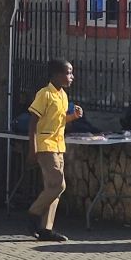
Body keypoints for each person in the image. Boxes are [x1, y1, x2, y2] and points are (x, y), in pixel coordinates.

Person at [27, 58, 81, 243]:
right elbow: (33, 122)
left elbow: (58, 121)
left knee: (53, 189)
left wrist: (72, 117)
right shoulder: (45, 94)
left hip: (59, 145)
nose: (71, 77)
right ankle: (33, 213)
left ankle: (45, 228)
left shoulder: (63, 95)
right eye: (68, 73)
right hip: (46, 145)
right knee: (59, 185)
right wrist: (32, 148)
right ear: (56, 75)